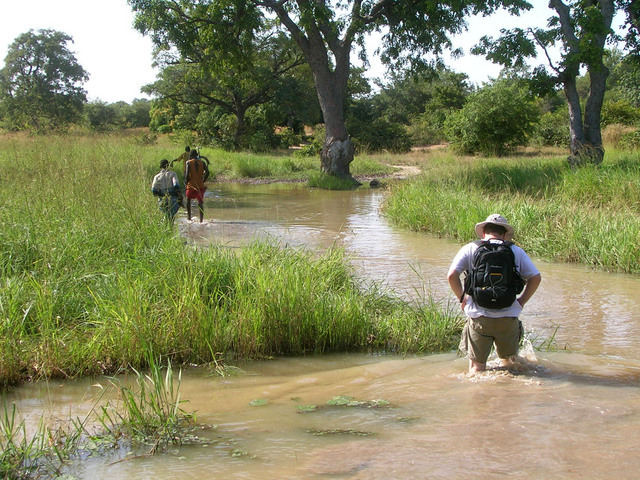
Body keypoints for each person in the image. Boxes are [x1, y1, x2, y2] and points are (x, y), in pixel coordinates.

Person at [447, 214, 542, 373]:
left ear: (483, 232)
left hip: (479, 318)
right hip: (508, 317)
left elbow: (451, 276)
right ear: (504, 234)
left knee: (477, 369)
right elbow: (536, 277)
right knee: (511, 365)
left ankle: (480, 395)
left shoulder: (471, 248)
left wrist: (462, 298)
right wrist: (522, 301)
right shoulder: (515, 251)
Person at [184, 149, 210, 222]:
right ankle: (201, 220)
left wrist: (186, 182)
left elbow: (186, 175)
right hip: (200, 185)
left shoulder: (188, 163)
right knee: (200, 202)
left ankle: (189, 218)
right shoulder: (202, 162)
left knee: (188, 200)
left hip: (191, 184)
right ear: (197, 155)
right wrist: (203, 181)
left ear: (190, 156)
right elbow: (207, 172)